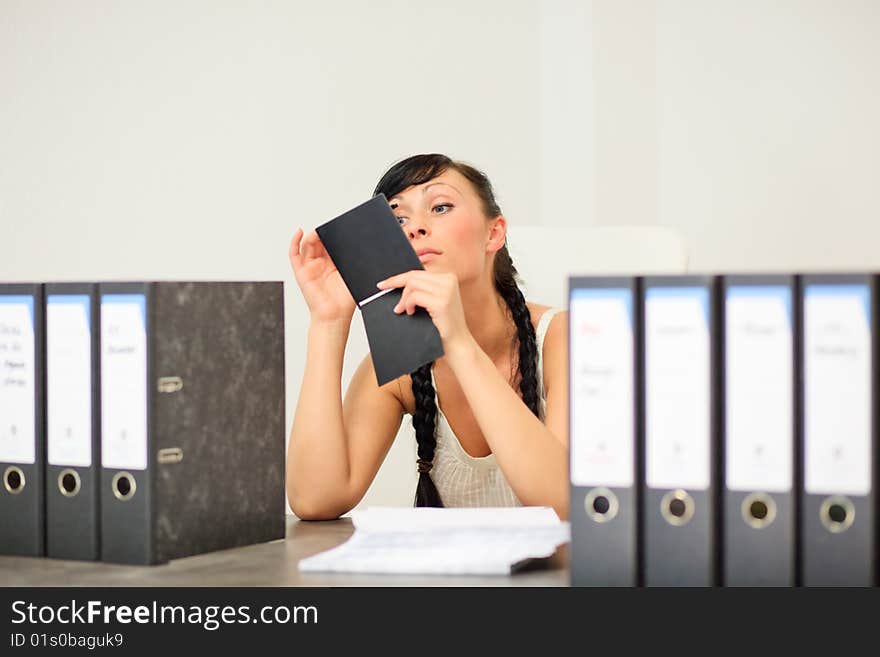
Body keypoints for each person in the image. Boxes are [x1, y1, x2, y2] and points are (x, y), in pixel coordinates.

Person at [286, 154, 569, 520]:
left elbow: (564, 505)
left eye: (440, 206)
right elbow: (314, 499)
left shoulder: (564, 339)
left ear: (494, 232)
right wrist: (328, 321)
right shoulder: (399, 365)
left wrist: (458, 341)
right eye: (398, 218)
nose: (414, 227)